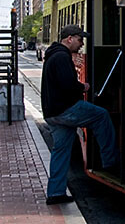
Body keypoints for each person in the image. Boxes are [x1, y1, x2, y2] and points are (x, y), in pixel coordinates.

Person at [42, 25, 118, 205]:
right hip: (66, 109)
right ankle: (111, 162)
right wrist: (83, 87)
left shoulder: (53, 55)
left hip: (52, 113)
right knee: (101, 116)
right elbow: (68, 85)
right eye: (79, 39)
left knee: (60, 152)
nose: (82, 43)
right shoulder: (62, 57)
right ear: (70, 38)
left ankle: (55, 193)